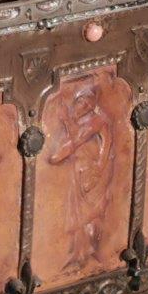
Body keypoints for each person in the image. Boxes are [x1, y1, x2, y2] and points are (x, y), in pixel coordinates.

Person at [47, 79, 116, 272]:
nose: (83, 107)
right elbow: (68, 146)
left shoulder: (95, 121)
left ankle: (91, 254)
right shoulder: (80, 122)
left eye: (88, 105)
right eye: (81, 102)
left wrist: (66, 121)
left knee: (91, 215)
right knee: (78, 217)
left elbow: (76, 141)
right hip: (80, 173)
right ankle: (79, 255)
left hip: (93, 176)